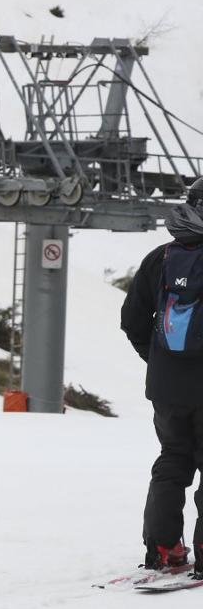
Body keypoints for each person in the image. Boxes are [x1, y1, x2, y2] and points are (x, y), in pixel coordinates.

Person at [120, 178, 203, 576]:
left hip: (167, 388)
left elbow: (132, 321)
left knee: (172, 461)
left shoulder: (160, 258)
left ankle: (164, 549)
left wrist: (157, 362)